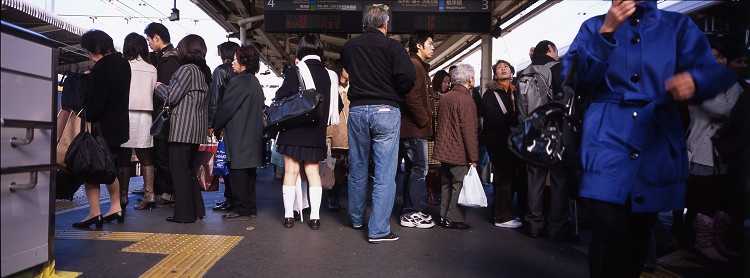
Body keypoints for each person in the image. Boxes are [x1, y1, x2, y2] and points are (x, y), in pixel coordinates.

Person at [562, 1, 736, 276]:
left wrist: (696, 81)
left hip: (655, 136)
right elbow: (573, 78)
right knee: (606, 231)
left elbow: (717, 74)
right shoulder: (594, 25)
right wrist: (606, 33)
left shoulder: (678, 26)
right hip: (606, 137)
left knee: (639, 234)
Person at [341, 6, 416, 243]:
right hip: (385, 110)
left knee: (358, 168)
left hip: (357, 110)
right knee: (384, 173)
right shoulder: (393, 47)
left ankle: (355, 218)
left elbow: (349, 70)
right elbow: (408, 77)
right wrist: (394, 92)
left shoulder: (349, 47)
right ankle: (378, 230)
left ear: (365, 25)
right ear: (385, 25)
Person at [684, 43, 745, 261]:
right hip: (704, 152)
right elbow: (725, 109)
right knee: (706, 201)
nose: (717, 61)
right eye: (711, 57)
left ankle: (715, 241)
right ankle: (704, 242)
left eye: (720, 57)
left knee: (721, 201)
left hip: (724, 153)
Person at [276, 35, 337, 230]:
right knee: (313, 173)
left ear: (301, 51)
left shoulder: (295, 72)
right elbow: (337, 105)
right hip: (315, 132)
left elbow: (281, 97)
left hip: (293, 130)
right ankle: (315, 218)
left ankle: (288, 217)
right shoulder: (330, 76)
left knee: (291, 172)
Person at [72, 30, 131, 228]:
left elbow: (95, 107)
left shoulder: (101, 69)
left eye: (88, 51)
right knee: (109, 168)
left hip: (102, 128)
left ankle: (94, 213)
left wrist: (90, 84)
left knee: (91, 168)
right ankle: (116, 207)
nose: (89, 55)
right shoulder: (123, 64)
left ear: (96, 49)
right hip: (119, 126)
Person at [154, 34, 213, 223]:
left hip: (181, 132)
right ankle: (196, 210)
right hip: (195, 132)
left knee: (179, 173)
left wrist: (159, 87)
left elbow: (172, 97)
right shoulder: (203, 72)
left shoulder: (186, 70)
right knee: (188, 172)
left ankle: (184, 215)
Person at [521, 40, 574, 242]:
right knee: (559, 179)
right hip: (555, 130)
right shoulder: (558, 69)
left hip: (532, 131)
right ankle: (555, 227)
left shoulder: (525, 72)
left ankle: (534, 225)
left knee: (534, 180)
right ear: (551, 50)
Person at [214, 45, 265, 221]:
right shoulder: (253, 81)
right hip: (252, 134)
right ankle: (250, 207)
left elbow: (226, 108)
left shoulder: (239, 82)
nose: (233, 63)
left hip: (239, 134)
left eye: (235, 59)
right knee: (249, 175)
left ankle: (241, 209)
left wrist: (215, 124)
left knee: (237, 173)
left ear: (243, 62)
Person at [398, 30, 436, 229]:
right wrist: (424, 120)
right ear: (418, 45)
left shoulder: (418, 65)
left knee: (414, 169)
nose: (433, 46)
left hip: (413, 128)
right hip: (414, 128)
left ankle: (410, 210)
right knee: (420, 168)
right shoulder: (414, 64)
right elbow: (411, 97)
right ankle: (410, 212)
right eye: (429, 43)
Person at [433, 64, 478, 230]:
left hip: (444, 149)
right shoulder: (466, 100)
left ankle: (443, 216)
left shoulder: (446, 97)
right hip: (459, 151)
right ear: (469, 79)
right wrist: (473, 157)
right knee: (458, 184)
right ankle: (453, 219)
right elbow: (470, 131)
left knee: (446, 184)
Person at [481, 59, 523, 229]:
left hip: (514, 142)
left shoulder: (517, 92)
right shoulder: (491, 94)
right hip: (499, 142)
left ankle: (500, 210)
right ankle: (503, 217)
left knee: (510, 177)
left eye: (506, 67)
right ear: (495, 75)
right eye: (499, 68)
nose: (503, 69)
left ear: (512, 73)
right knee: (503, 177)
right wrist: (514, 119)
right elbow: (493, 118)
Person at [118, 33, 157, 211]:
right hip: (145, 116)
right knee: (146, 157)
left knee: (123, 157)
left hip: (125, 114)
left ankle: (122, 196)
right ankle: (150, 194)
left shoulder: (124, 66)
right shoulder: (152, 68)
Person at [143, 22, 180, 206]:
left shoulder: (168, 61)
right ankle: (167, 190)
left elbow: (162, 90)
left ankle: (169, 193)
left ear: (157, 37)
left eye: (149, 39)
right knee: (163, 155)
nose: (149, 43)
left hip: (165, 115)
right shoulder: (169, 58)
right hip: (168, 115)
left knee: (163, 155)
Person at [209, 41, 240, 212]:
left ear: (223, 54)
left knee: (225, 161)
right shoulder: (241, 71)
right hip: (239, 124)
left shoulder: (220, 70)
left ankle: (230, 199)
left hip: (224, 124)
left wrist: (211, 125)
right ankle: (234, 198)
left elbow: (215, 100)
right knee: (234, 162)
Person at [325, 59, 349, 211]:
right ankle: (331, 197)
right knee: (330, 168)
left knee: (342, 169)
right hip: (332, 136)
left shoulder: (351, 89)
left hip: (347, 138)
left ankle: (334, 198)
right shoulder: (330, 88)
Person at [426, 70, 450, 205]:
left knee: (443, 169)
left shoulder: (447, 96)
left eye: (448, 82)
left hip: (444, 136)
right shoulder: (432, 96)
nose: (446, 84)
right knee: (432, 168)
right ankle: (430, 194)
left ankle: (442, 195)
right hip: (433, 136)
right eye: (444, 81)